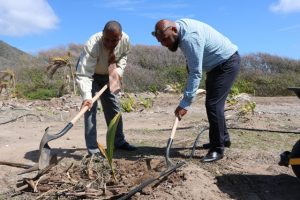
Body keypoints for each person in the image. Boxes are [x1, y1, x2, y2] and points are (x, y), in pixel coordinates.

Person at [152, 18, 240, 162]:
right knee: (213, 104)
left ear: (174, 30)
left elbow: (196, 73)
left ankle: (217, 149)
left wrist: (185, 103)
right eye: (160, 41)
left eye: (166, 39)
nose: (164, 44)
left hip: (226, 64)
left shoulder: (189, 38)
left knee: (213, 105)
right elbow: (194, 58)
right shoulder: (180, 29)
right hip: (215, 67)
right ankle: (223, 138)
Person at [76, 20, 137, 156]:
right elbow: (84, 73)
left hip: (111, 70)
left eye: (113, 40)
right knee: (90, 109)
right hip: (90, 74)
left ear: (120, 37)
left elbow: (124, 57)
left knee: (114, 108)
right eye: (106, 39)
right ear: (102, 35)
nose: (109, 44)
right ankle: (93, 150)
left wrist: (117, 74)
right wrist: (87, 97)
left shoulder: (125, 40)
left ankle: (119, 142)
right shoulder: (92, 44)